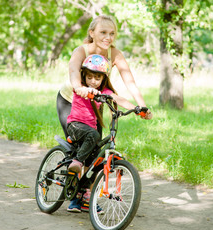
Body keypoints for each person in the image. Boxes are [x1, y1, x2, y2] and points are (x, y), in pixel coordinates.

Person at [66, 54, 144, 213]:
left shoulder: (103, 91)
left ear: (103, 79)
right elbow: (77, 86)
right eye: (90, 77)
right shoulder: (80, 86)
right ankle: (77, 162)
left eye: (97, 78)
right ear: (84, 76)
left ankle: (79, 197)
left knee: (97, 162)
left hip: (89, 130)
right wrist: (83, 89)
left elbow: (117, 98)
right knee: (94, 136)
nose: (93, 81)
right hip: (75, 125)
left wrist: (136, 109)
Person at [57, 15, 152, 140]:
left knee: (95, 145)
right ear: (92, 33)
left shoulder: (115, 54)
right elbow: (74, 71)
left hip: (95, 100)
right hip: (71, 100)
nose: (108, 37)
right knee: (77, 143)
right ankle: (73, 159)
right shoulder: (81, 51)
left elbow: (130, 82)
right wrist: (79, 88)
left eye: (112, 34)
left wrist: (142, 107)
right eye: (103, 33)